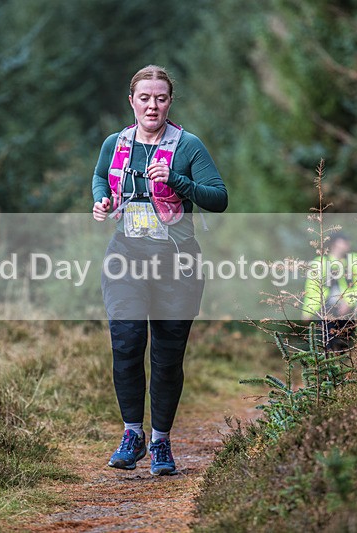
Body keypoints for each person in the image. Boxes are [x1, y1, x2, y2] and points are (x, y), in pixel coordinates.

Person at [91, 65, 228, 475]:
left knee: (168, 358)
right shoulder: (115, 143)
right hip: (125, 256)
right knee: (128, 342)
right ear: (131, 100)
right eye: (145, 97)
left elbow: (219, 199)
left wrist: (178, 182)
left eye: (161, 98)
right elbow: (101, 178)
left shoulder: (188, 146)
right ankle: (132, 434)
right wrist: (102, 201)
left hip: (177, 260)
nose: (153, 105)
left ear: (170, 102)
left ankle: (161, 442)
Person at [301, 232, 357, 352]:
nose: (347, 244)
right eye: (343, 241)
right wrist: (308, 311)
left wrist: (348, 302)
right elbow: (313, 288)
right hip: (327, 309)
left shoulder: (354, 260)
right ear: (335, 244)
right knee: (329, 342)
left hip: (350, 310)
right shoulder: (320, 262)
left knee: (349, 342)